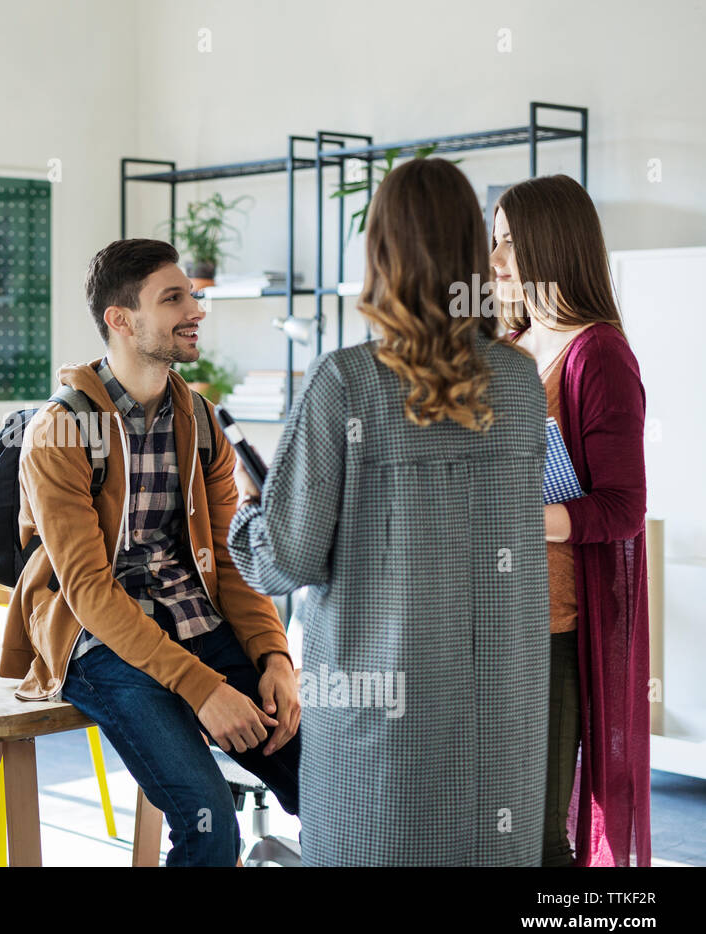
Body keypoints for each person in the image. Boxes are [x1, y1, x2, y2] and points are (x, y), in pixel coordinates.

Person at [228, 158, 550, 865]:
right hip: (500, 731)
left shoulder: (345, 382)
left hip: (384, 740)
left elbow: (286, 559)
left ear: (381, 252)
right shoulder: (523, 383)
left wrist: (248, 516)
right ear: (471, 251)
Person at [0, 238, 301, 867]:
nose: (197, 308)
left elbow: (232, 557)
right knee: (210, 824)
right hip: (99, 638)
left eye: (191, 292)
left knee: (333, 788)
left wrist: (274, 656)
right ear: (121, 319)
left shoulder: (202, 420)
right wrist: (202, 689)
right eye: (174, 297)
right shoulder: (61, 430)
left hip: (194, 618)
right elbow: (87, 592)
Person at [491, 174, 650, 867]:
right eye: (494, 245)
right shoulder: (516, 345)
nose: (494, 263)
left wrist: (522, 517)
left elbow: (623, 509)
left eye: (508, 245)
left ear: (552, 245)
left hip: (555, 628)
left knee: (537, 837)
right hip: (499, 619)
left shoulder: (600, 354)